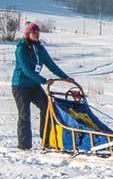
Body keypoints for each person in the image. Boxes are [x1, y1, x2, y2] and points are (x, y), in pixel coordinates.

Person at [12, 22, 77, 150]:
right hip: (20, 86)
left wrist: (65, 77)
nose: (37, 35)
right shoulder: (21, 48)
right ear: (28, 34)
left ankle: (46, 141)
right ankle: (24, 146)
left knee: (47, 107)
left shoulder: (40, 48)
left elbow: (51, 64)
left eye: (38, 33)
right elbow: (26, 70)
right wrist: (44, 80)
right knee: (24, 114)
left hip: (34, 85)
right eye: (34, 33)